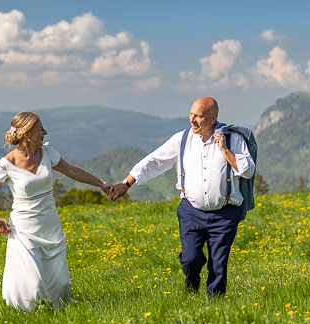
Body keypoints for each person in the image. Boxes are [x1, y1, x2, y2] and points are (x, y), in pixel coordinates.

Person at [109, 97, 255, 296]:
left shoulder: (233, 139)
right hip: (191, 211)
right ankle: (192, 287)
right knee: (190, 259)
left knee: (218, 263)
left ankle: (216, 305)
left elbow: (248, 171)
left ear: (213, 118)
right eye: (191, 115)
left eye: (199, 116)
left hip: (225, 212)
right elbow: (154, 161)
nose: (193, 120)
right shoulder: (182, 139)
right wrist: (126, 183)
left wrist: (225, 151)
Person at [0, 111, 111, 312]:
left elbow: (72, 171)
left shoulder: (47, 153)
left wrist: (101, 184)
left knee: (58, 280)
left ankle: (58, 306)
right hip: (24, 228)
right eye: (40, 129)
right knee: (32, 282)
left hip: (50, 223)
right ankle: (30, 310)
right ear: (26, 134)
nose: (45, 133)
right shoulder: (7, 164)